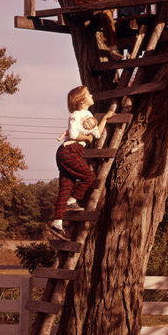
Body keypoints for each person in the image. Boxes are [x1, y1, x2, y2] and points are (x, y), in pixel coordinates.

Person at [48, 85, 115, 240]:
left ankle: (57, 224)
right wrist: (85, 138)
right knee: (89, 176)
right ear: (80, 101)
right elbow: (72, 134)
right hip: (69, 151)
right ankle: (72, 201)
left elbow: (97, 134)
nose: (92, 95)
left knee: (65, 188)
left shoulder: (88, 114)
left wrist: (105, 118)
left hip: (73, 153)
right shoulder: (76, 115)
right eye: (88, 94)